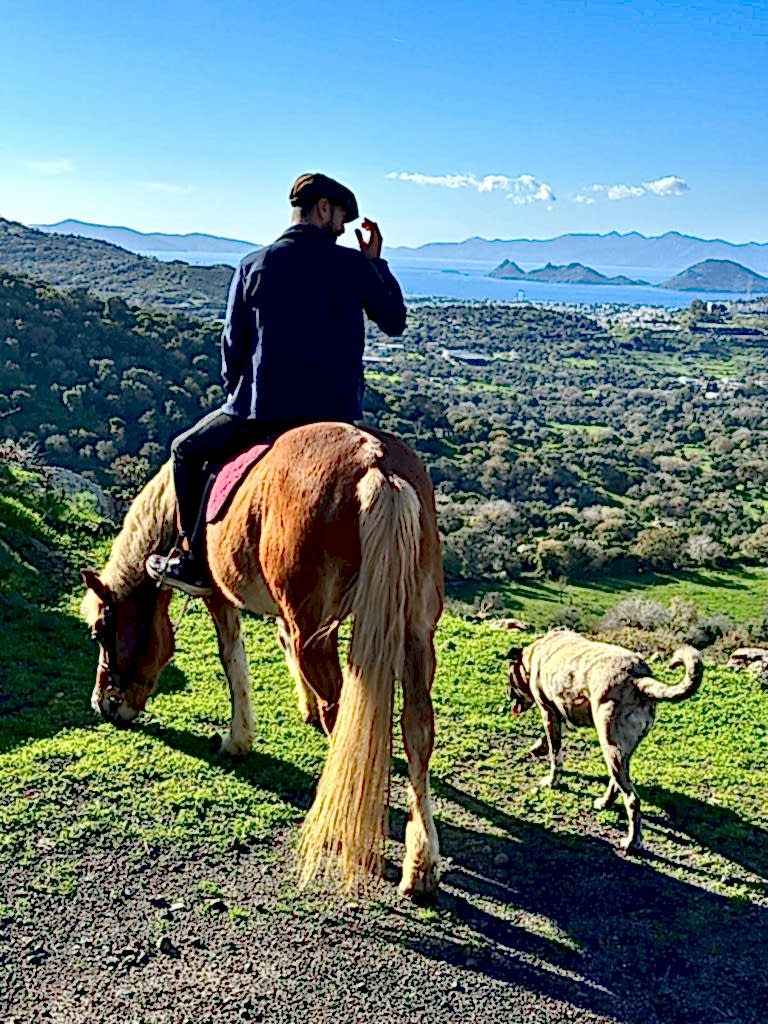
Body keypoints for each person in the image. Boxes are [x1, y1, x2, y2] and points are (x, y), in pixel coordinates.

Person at [146, 172, 407, 595]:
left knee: (186, 451)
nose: (343, 229)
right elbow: (394, 321)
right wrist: (376, 261)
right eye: (341, 217)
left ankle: (193, 560)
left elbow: (233, 344)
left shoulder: (254, 264)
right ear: (323, 209)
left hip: (262, 410)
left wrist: (237, 395)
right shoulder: (354, 266)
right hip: (337, 414)